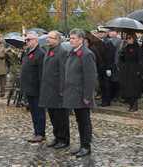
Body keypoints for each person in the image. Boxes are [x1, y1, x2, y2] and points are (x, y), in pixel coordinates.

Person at [63, 28, 97, 157]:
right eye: (70, 38)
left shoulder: (87, 54)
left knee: (84, 121)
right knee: (79, 120)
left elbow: (90, 77)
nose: (71, 40)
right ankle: (82, 144)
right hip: (73, 93)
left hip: (82, 94)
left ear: (81, 40)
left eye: (73, 38)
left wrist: (87, 96)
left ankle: (86, 146)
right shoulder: (72, 52)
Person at [38, 31, 70, 148]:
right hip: (48, 89)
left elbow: (63, 72)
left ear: (57, 40)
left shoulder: (62, 52)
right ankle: (57, 137)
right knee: (52, 116)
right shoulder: (48, 50)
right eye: (48, 37)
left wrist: (62, 90)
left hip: (58, 90)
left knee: (61, 117)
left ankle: (64, 139)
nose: (48, 40)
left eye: (51, 38)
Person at [20, 31, 46, 142]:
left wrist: (41, 89)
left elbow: (41, 73)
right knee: (33, 112)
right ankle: (36, 132)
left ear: (36, 40)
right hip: (29, 87)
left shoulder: (40, 53)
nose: (27, 41)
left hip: (36, 88)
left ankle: (40, 133)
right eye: (26, 40)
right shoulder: (28, 52)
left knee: (39, 112)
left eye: (29, 39)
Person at [119, 33, 143, 112]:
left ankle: (134, 104)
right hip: (126, 69)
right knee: (127, 87)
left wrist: (139, 70)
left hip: (134, 69)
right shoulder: (125, 47)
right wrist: (122, 53)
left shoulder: (137, 47)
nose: (128, 40)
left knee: (133, 88)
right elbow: (122, 58)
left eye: (130, 38)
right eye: (127, 38)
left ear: (134, 38)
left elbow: (140, 60)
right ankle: (130, 104)